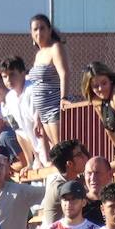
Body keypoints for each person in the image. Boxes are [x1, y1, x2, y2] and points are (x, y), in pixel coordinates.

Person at [26, 14, 69, 150]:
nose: (39, 32)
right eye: (35, 29)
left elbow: (64, 73)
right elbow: (37, 85)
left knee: (61, 148)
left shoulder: (55, 48)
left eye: (42, 28)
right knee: (56, 150)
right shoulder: (39, 54)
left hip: (55, 106)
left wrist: (64, 98)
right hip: (43, 111)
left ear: (49, 30)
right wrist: (37, 116)